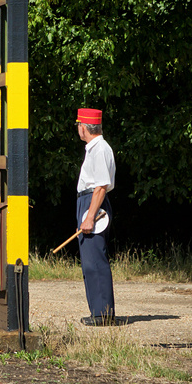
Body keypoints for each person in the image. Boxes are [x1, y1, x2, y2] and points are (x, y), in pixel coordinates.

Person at [75, 107, 116, 326]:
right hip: (87, 202)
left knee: (95, 259)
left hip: (94, 202)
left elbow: (101, 186)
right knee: (89, 259)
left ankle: (103, 314)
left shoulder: (100, 149)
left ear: (84, 127)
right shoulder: (94, 148)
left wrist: (90, 216)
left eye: (78, 125)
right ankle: (98, 311)